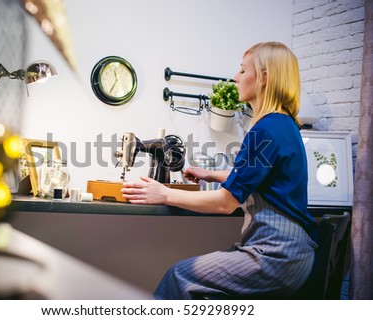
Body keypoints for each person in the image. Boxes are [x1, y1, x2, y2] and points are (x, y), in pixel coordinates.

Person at [121, 42, 319, 299]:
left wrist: (164, 194)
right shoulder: (284, 125)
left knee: (179, 274)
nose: (235, 78)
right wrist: (211, 174)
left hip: (275, 256)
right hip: (293, 255)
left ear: (264, 78)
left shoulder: (266, 129)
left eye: (243, 71)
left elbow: (226, 202)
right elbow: (259, 178)